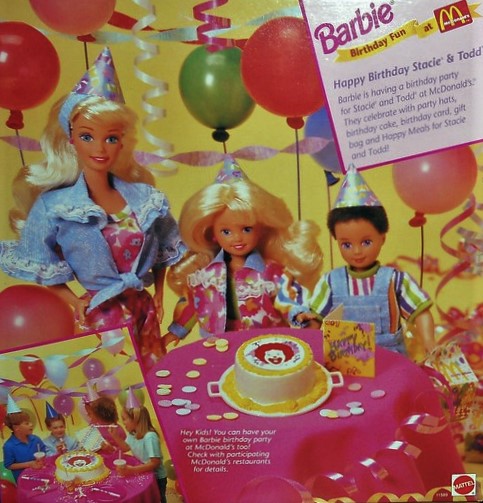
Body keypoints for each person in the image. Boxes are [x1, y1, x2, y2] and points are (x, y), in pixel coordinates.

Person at [0, 47, 186, 369]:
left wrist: (158, 292)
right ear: (70, 139)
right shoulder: (56, 206)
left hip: (143, 310)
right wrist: (74, 302)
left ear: (122, 141)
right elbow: (39, 262)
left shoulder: (146, 198)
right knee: (113, 383)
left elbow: (164, 247)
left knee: (156, 376)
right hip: (100, 315)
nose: (100, 148)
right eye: (88, 137)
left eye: (110, 138)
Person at [162, 157, 323, 349]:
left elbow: (287, 297)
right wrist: (176, 331)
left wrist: (300, 314)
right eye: (226, 232)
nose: (237, 238)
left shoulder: (271, 271)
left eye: (246, 229)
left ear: (261, 229)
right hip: (219, 343)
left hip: (264, 342)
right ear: (213, 234)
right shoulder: (206, 274)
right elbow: (194, 304)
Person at [296, 165, 436, 356]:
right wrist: (306, 323)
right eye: (346, 244)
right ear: (336, 241)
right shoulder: (331, 282)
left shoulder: (395, 280)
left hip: (390, 356)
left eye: (366, 242)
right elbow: (317, 318)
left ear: (382, 238)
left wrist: (429, 342)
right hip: (346, 358)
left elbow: (420, 312)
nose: (357, 251)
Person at [109, 396, 167, 503]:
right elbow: (126, 448)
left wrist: (132, 470)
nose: (123, 422)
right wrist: (115, 436)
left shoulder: (150, 437)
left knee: (158, 499)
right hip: (144, 472)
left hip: (156, 477)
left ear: (135, 419)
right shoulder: (133, 434)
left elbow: (155, 463)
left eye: (125, 419)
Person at [3, 397, 47, 483]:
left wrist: (42, 458)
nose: (31, 424)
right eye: (27, 423)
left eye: (29, 422)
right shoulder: (9, 446)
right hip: (24, 480)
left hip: (40, 475)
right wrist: (29, 464)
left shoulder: (35, 439)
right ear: (17, 428)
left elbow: (43, 451)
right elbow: (9, 465)